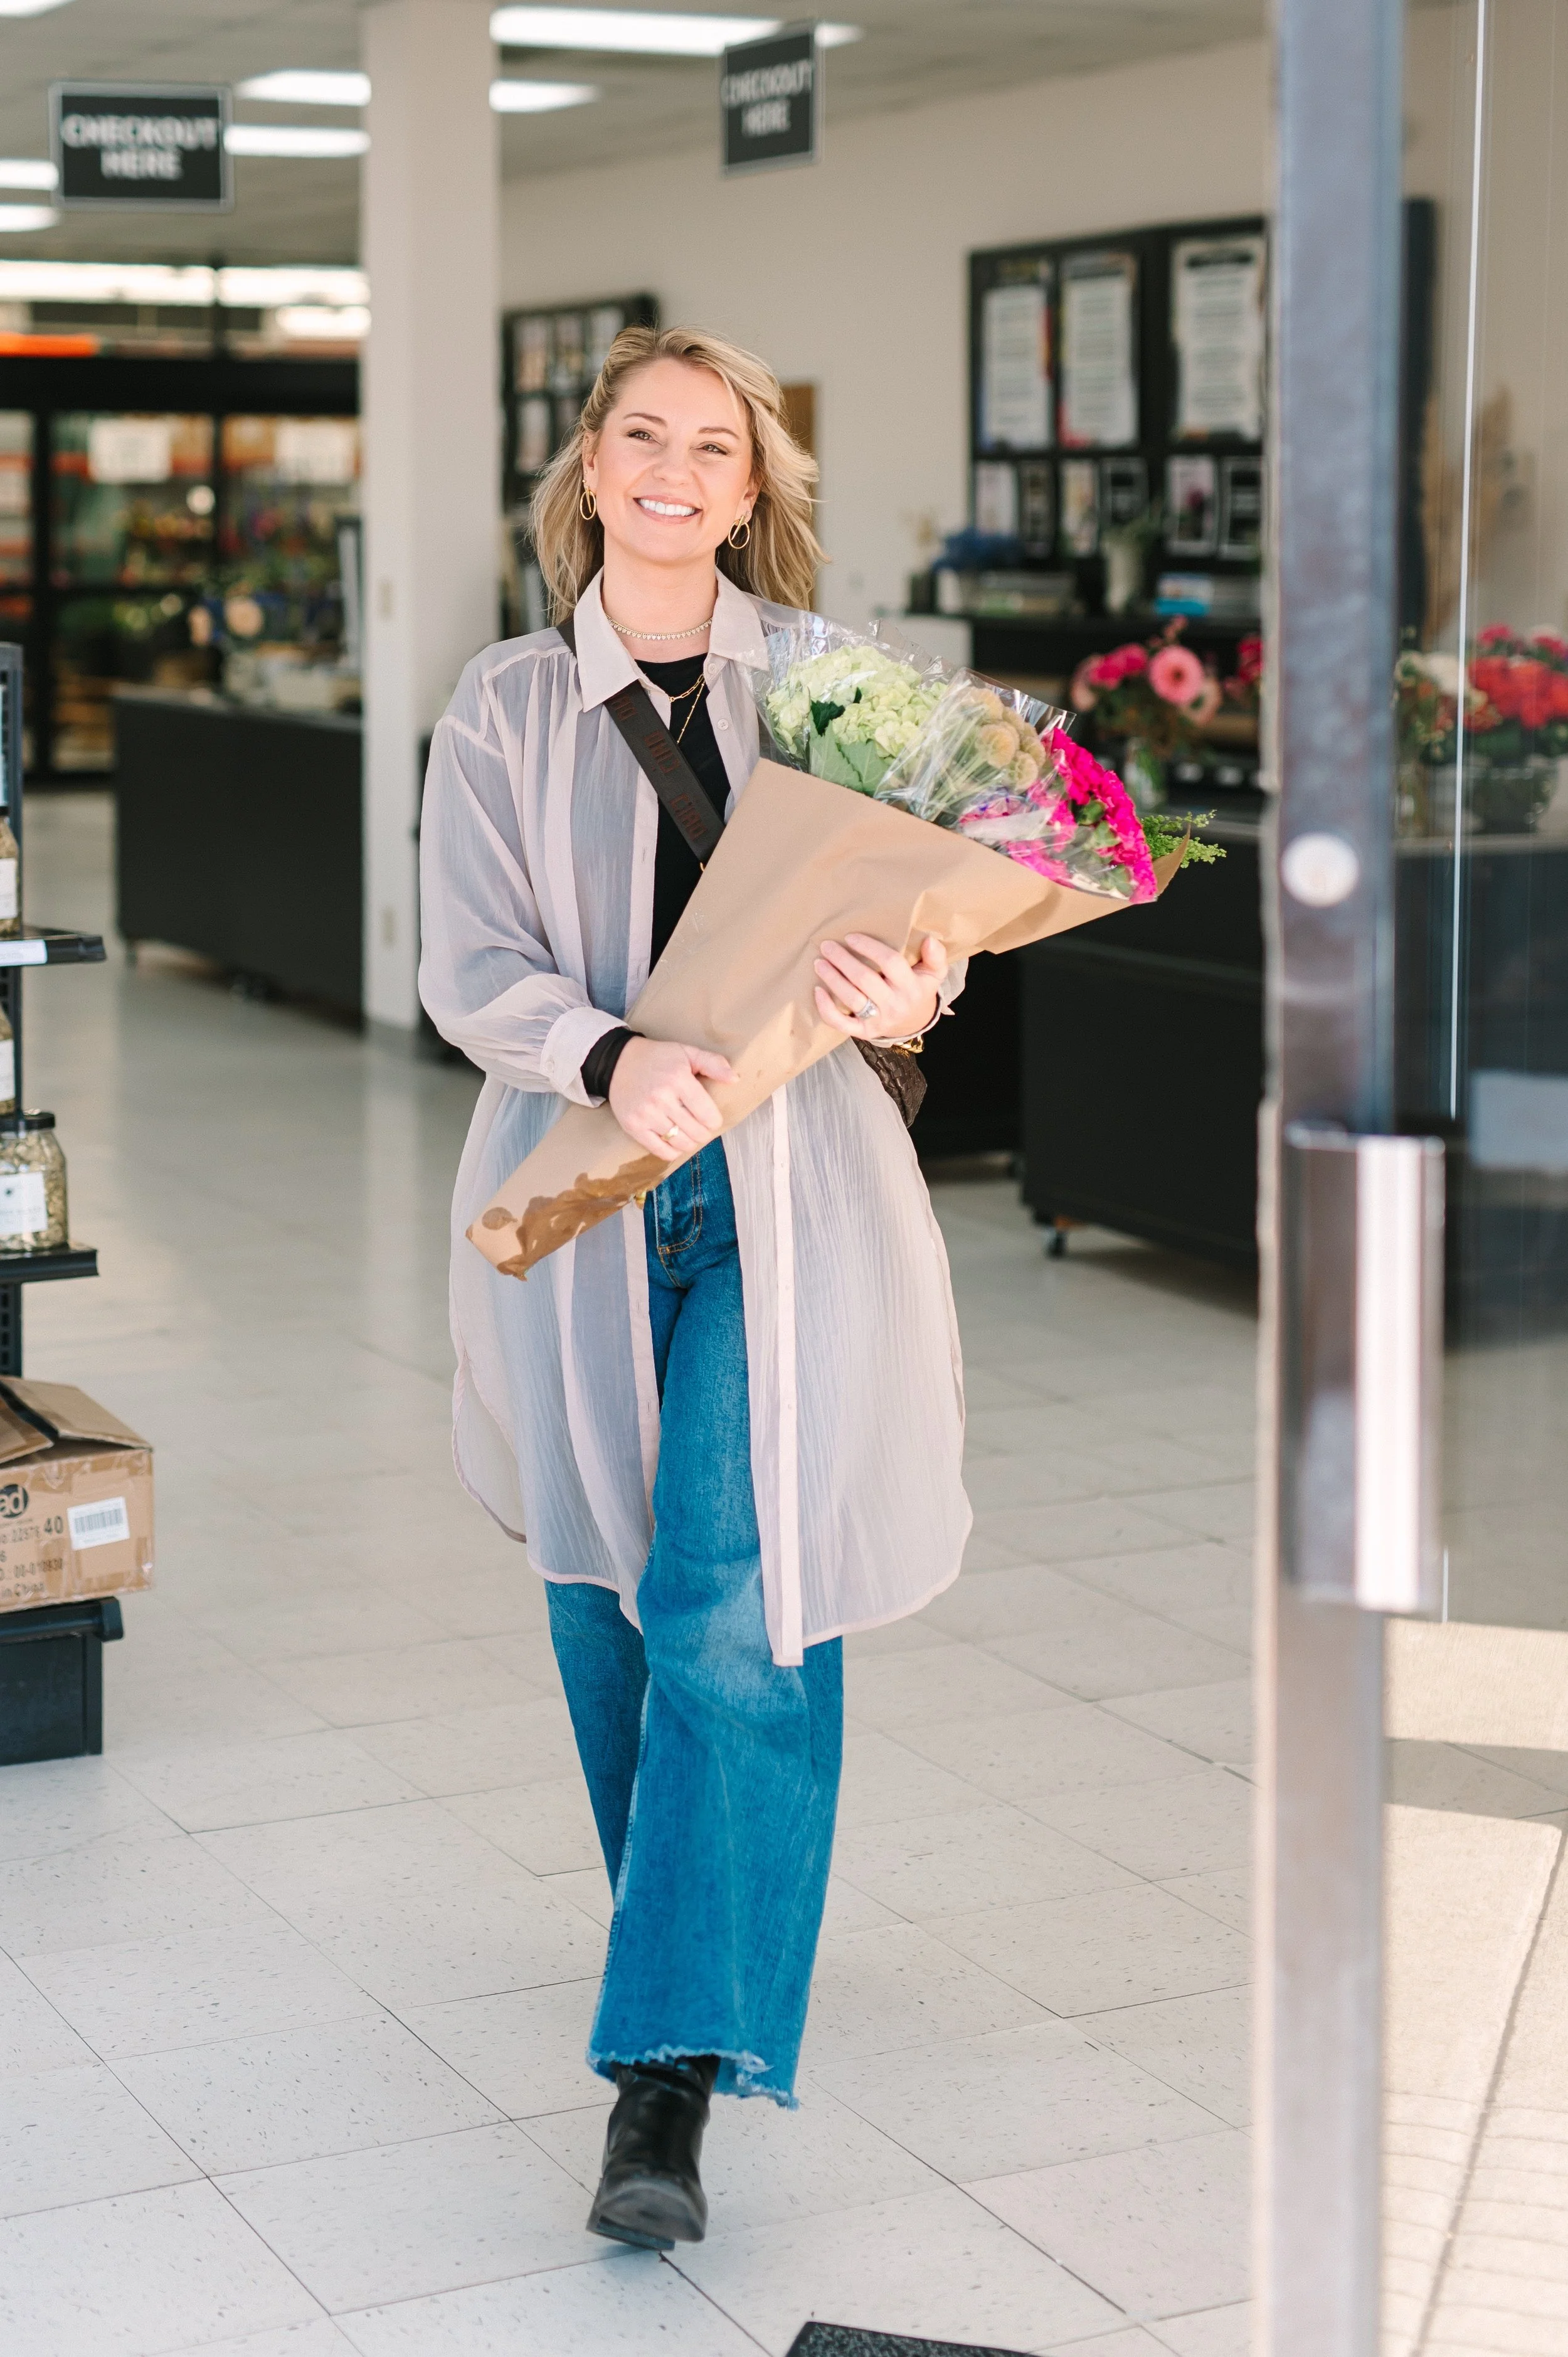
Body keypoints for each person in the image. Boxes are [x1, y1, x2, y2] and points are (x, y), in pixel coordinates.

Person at [419, 326, 972, 2250]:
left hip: (788, 1193)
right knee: (606, 1596)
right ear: (587, 467)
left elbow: (924, 924)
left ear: (751, 490)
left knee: (734, 1598)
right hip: (581, 1193)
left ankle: (662, 2082)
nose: (670, 469)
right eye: (636, 434)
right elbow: (465, 962)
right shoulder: (498, 707)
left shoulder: (826, 688)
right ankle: (693, 1932)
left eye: (710, 447)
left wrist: (918, 986)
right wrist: (594, 1049)